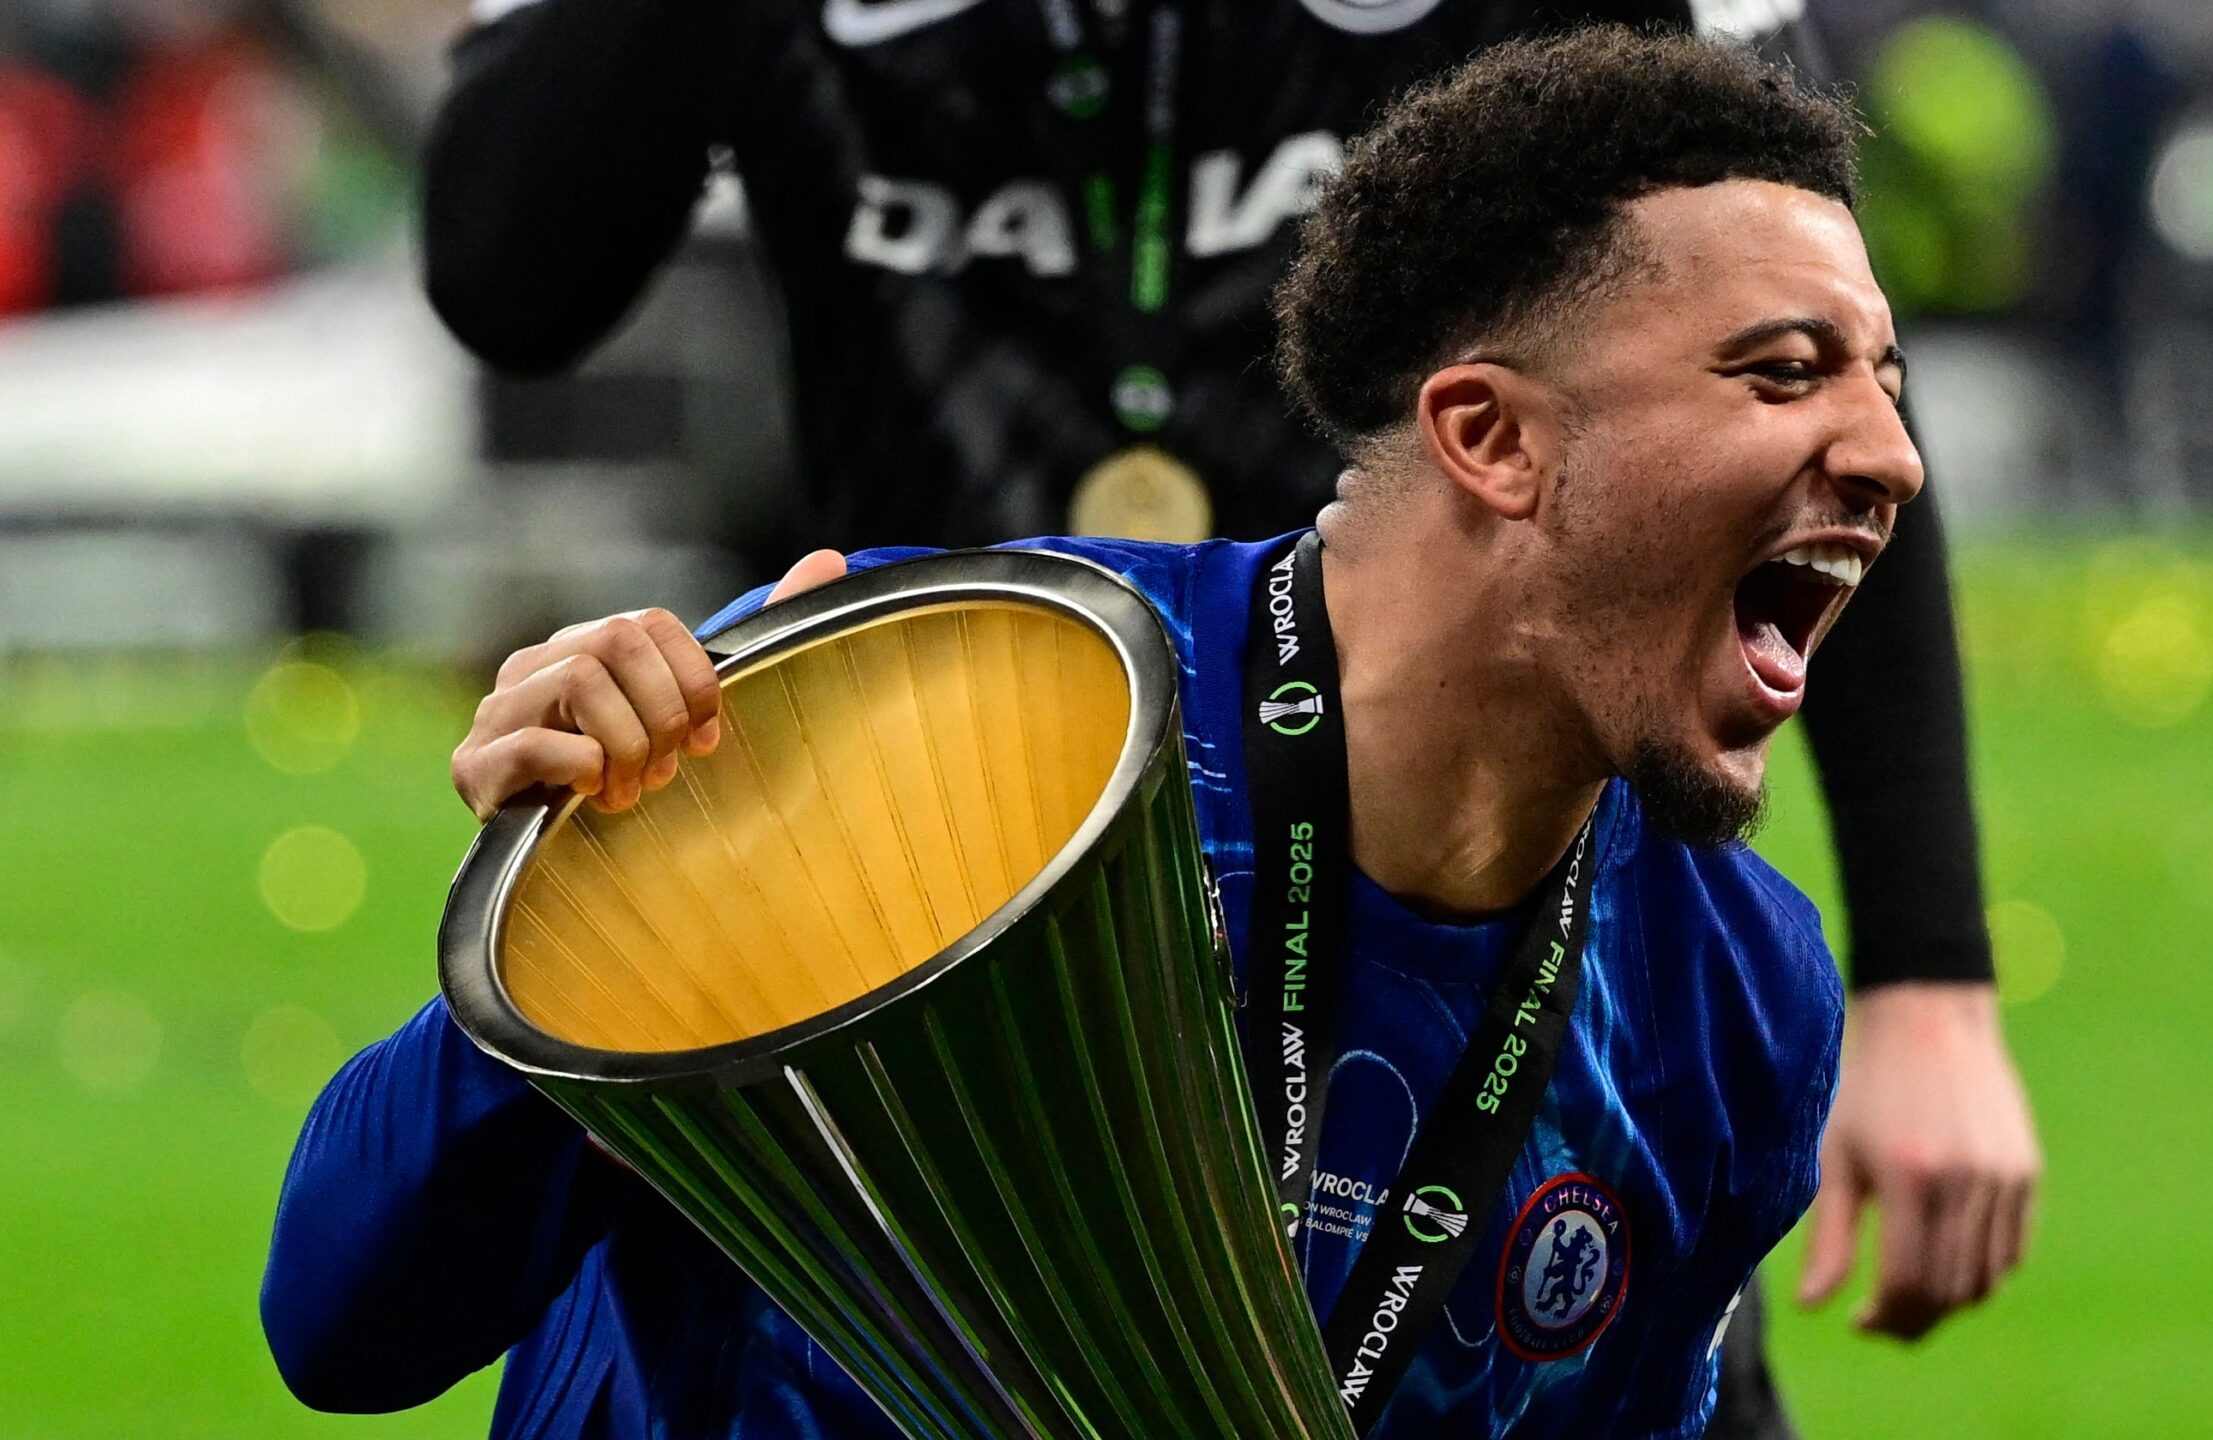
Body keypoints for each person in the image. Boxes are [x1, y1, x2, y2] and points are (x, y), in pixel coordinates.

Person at [267, 30, 1981, 1435]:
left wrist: (1935, 967)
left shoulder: (1732, 994)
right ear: (1490, 438)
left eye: (1884, 385)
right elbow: (342, 1325)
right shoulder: (898, 726)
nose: (1894, 458)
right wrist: (558, 934)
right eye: (1781, 374)